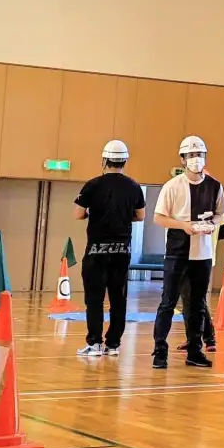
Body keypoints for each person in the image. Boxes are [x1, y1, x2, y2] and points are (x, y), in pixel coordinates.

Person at [151, 135, 224, 369]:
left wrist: (211, 224)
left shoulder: (215, 186)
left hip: (203, 255)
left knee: (198, 304)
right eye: (191, 155)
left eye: (200, 154)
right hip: (177, 253)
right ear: (183, 159)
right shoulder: (172, 187)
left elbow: (220, 214)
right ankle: (160, 352)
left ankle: (195, 351)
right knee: (168, 302)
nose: (196, 159)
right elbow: (158, 218)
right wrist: (183, 225)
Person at [73, 140, 144, 358]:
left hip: (96, 250)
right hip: (122, 251)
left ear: (104, 160)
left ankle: (94, 343)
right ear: (125, 161)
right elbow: (140, 216)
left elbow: (78, 214)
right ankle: (113, 345)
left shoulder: (92, 185)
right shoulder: (134, 187)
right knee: (118, 298)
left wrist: (93, 213)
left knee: (94, 298)